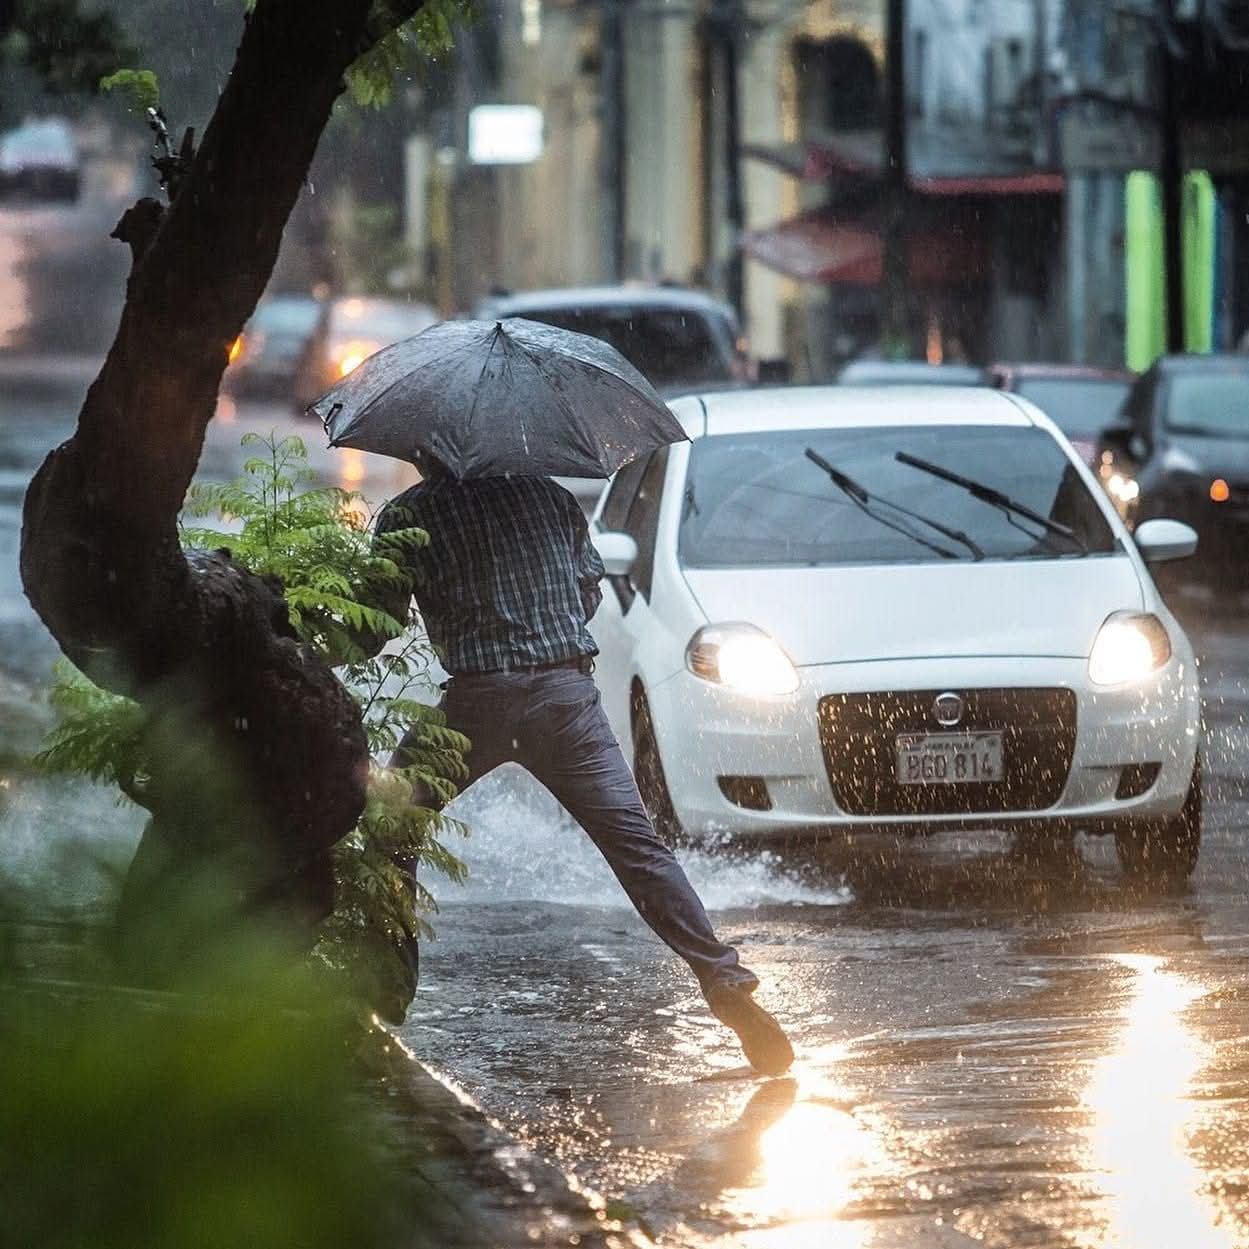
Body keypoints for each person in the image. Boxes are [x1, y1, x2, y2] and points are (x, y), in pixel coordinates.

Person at [369, 451, 794, 1077]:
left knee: (389, 826)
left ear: (425, 448)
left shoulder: (410, 514)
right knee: (640, 852)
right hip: (565, 700)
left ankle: (388, 986)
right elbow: (587, 593)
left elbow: (375, 623)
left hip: (474, 704)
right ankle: (724, 981)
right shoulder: (549, 498)